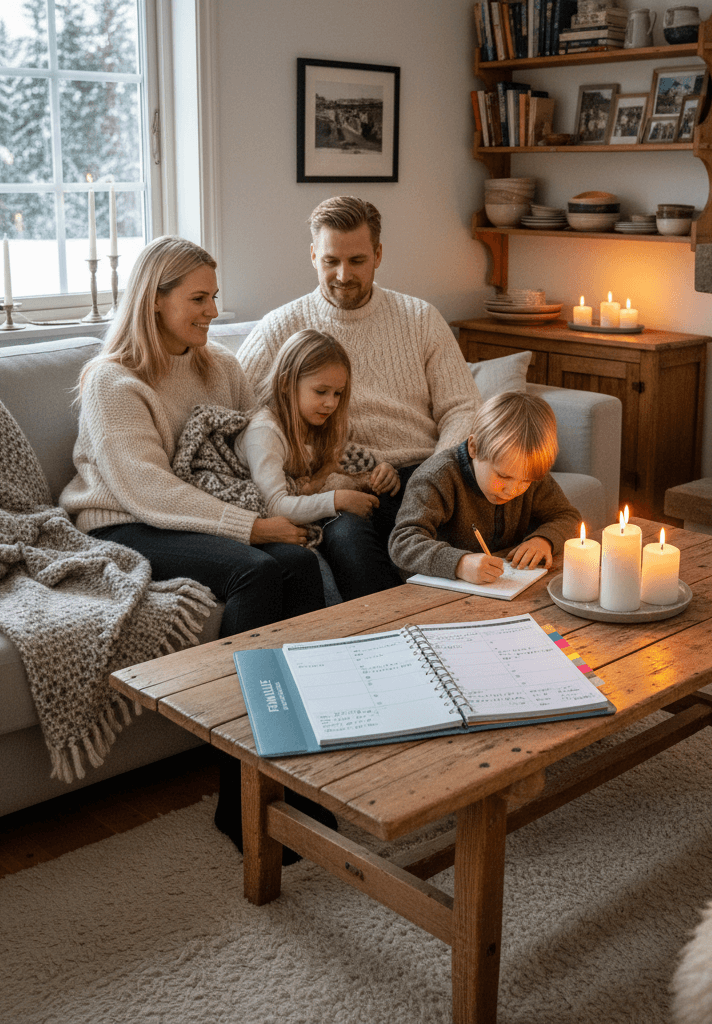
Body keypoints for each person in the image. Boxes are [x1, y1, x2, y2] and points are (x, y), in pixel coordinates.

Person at [59, 234, 332, 860]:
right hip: (124, 521)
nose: (212, 311)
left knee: (298, 564)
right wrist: (252, 528)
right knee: (256, 574)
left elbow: (252, 447)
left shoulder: (220, 367)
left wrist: (304, 490)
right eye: (198, 299)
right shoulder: (112, 380)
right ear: (155, 300)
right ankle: (241, 796)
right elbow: (147, 488)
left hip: (195, 518)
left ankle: (303, 772)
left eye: (214, 296)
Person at [236, 195, 481, 599]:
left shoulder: (420, 318)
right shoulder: (280, 327)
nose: (343, 274)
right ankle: (388, 631)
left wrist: (434, 475)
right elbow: (239, 408)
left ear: (378, 255)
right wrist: (315, 476)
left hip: (420, 470)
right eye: (330, 261)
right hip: (340, 483)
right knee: (349, 543)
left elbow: (463, 407)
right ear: (313, 256)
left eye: (357, 261)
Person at [388, 391, 581, 583]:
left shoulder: (525, 471)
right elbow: (402, 542)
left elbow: (568, 517)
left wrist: (544, 540)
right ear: (474, 447)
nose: (512, 490)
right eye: (503, 476)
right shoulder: (437, 477)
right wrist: (459, 563)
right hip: (434, 590)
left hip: (501, 585)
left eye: (525, 481)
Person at [234, 328, 400, 541]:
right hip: (267, 525)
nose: (331, 403)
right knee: (352, 533)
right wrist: (337, 499)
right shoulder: (265, 432)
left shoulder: (319, 422)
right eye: (321, 391)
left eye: (338, 393)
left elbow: (343, 465)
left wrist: (382, 473)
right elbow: (274, 505)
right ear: (286, 383)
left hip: (314, 507)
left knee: (391, 502)